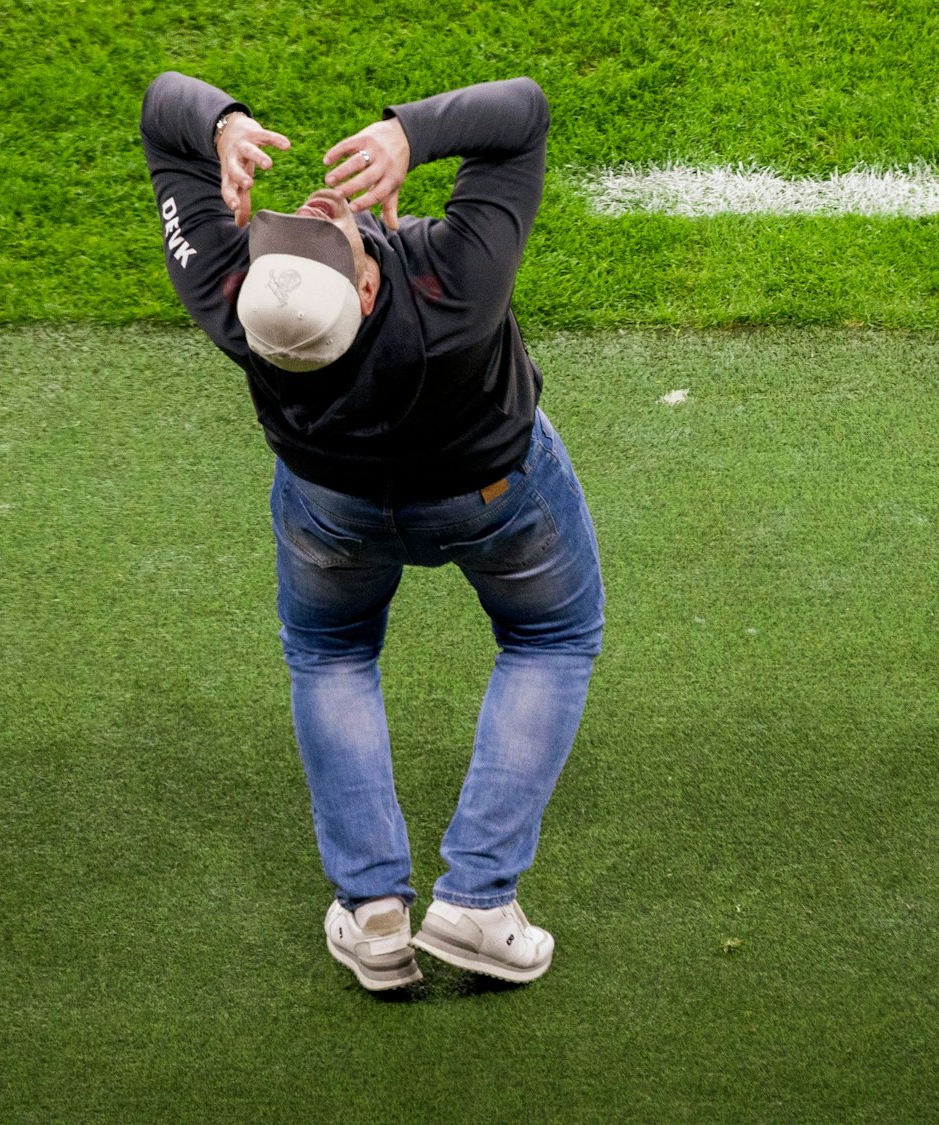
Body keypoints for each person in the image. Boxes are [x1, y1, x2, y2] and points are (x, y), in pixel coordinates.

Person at [140, 70, 604, 991]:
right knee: (552, 636)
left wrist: (219, 124)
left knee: (331, 653)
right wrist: (409, 134)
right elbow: (522, 115)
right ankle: (475, 899)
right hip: (493, 495)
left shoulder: (231, 299)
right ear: (361, 285)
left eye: (290, 232)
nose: (309, 208)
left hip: (334, 507)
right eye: (317, 235)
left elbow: (163, 115)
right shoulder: (453, 283)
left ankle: (374, 914)